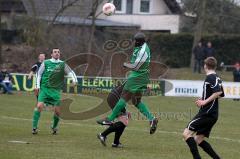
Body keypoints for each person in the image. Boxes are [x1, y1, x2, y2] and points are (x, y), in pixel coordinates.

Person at [97, 32, 158, 135]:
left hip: (137, 76)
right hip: (141, 76)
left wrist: (126, 64)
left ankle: (110, 119)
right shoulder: (141, 47)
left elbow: (136, 66)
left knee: (124, 97)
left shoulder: (143, 51)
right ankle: (152, 119)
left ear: (139, 42)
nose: (134, 42)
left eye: (135, 41)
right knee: (136, 101)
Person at [183, 57, 224, 159]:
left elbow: (218, 92)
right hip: (212, 114)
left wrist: (204, 101)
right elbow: (221, 93)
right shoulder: (217, 77)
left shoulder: (211, 77)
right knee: (198, 140)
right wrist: (204, 98)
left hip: (207, 113)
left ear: (205, 66)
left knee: (186, 134)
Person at [32, 48, 78, 135]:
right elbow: (39, 74)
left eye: (58, 52)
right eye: (55, 52)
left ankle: (54, 127)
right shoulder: (45, 63)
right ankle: (34, 127)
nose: (57, 53)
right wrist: (37, 86)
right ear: (51, 54)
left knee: (58, 112)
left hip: (55, 91)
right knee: (39, 106)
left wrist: (75, 81)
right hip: (45, 89)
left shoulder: (62, 64)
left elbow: (71, 72)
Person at [97, 83, 130, 148]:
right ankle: (103, 134)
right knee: (124, 120)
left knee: (123, 121)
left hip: (113, 96)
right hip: (115, 97)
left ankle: (116, 142)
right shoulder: (136, 81)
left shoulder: (134, 79)